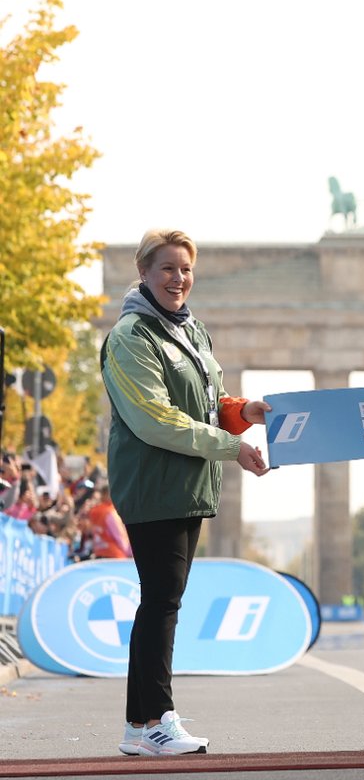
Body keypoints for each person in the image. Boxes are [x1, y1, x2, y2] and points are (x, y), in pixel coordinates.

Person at [101, 229, 271, 755]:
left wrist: (244, 412)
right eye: (167, 269)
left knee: (164, 601)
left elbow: (206, 400)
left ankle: (142, 722)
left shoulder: (191, 330)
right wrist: (230, 446)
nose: (179, 279)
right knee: (160, 601)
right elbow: (156, 419)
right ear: (145, 274)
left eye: (186, 269)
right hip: (153, 483)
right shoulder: (132, 336)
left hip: (185, 484)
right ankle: (154, 718)